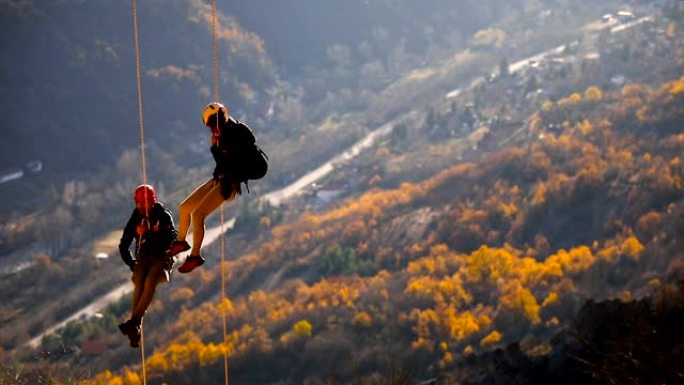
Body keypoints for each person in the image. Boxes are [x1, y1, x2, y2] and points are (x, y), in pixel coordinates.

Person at [167, 102, 259, 273]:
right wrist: (216, 145)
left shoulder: (230, 136)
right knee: (185, 207)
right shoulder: (229, 133)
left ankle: (195, 256)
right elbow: (223, 165)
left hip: (229, 184)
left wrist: (215, 146)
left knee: (198, 214)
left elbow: (227, 164)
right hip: (220, 179)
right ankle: (181, 241)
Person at [118, 184, 177, 347]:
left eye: (146, 203)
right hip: (144, 258)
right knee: (139, 283)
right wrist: (132, 263)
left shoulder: (163, 215)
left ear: (153, 201)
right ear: (136, 203)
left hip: (162, 258)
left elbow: (171, 239)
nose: (144, 207)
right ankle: (135, 328)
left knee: (150, 280)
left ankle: (134, 322)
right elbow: (123, 245)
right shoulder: (136, 217)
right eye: (140, 204)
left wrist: (147, 234)